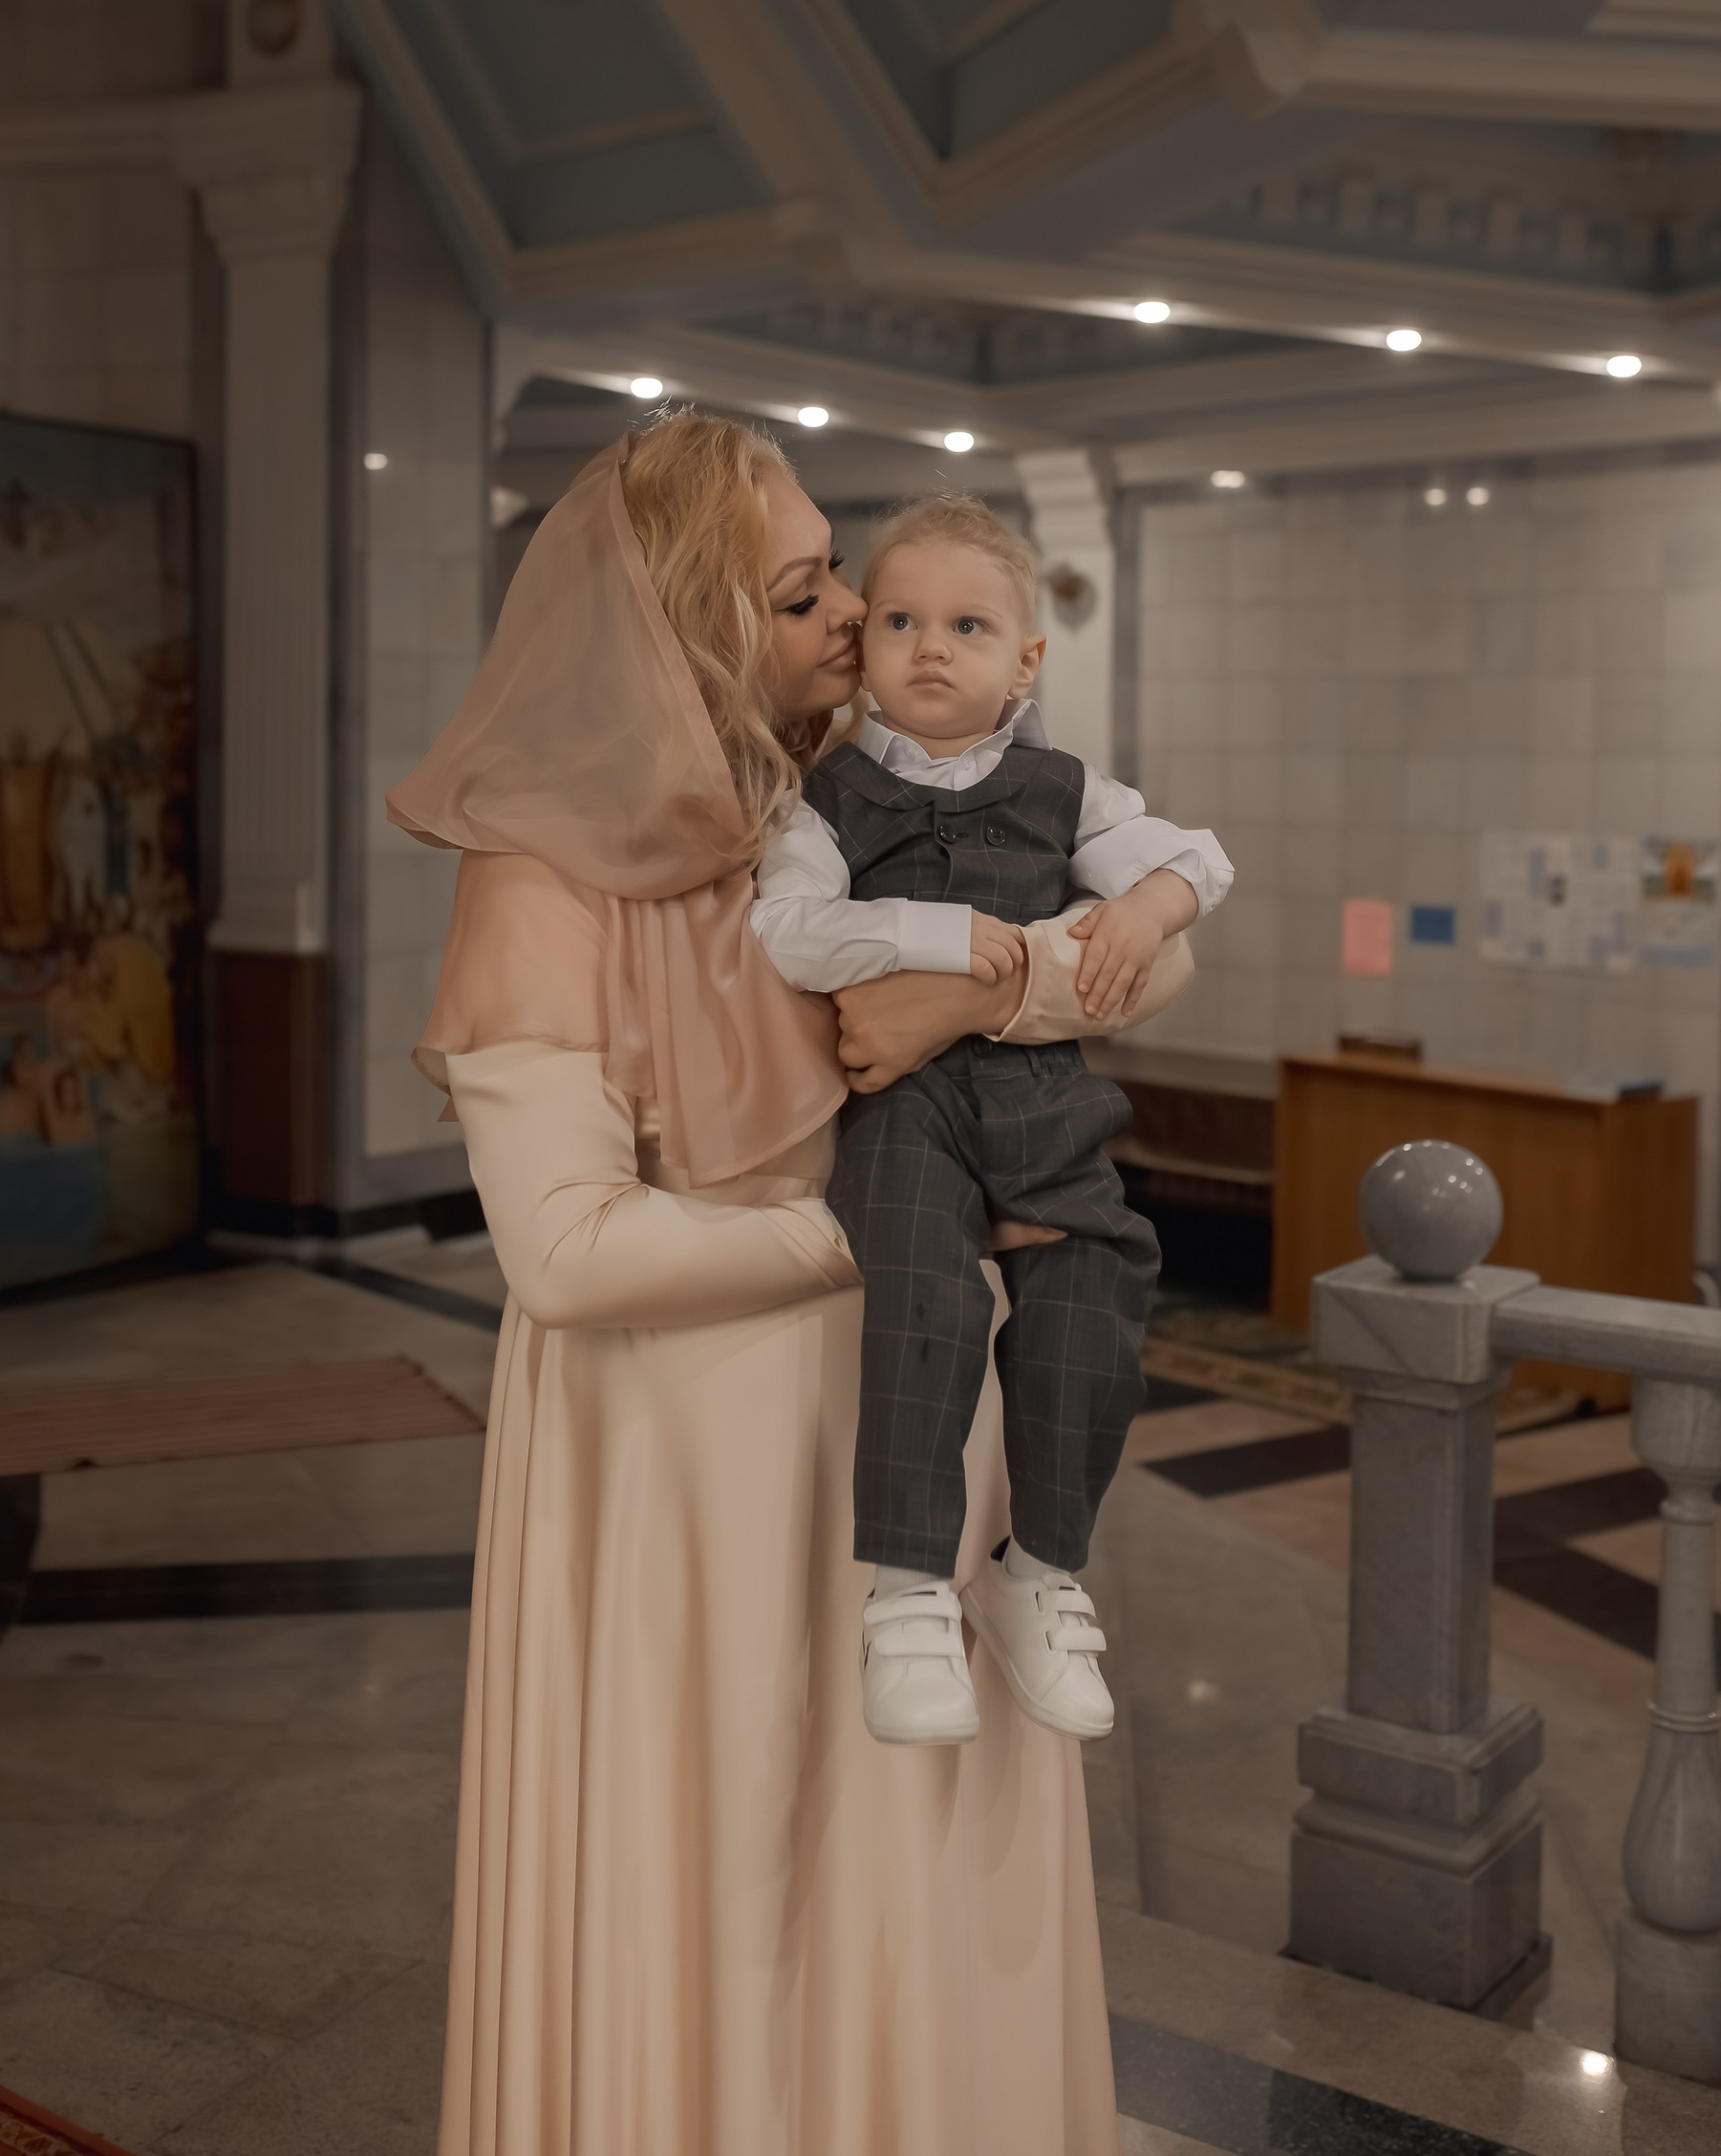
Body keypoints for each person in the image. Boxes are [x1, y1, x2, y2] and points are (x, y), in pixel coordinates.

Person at [389, 413, 1151, 2156]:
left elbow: (1131, 947)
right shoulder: (540, 866)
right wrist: (883, 1232)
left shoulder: (836, 791)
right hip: (682, 1452)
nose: (855, 618)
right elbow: (566, 1252)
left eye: (838, 579)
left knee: (914, 1855)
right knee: (728, 1860)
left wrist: (993, 987)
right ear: (685, 624)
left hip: (904, 1415)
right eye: (802, 593)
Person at [752, 495, 1230, 1748]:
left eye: (968, 626)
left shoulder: (1068, 791)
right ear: (867, 642)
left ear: (1026, 659)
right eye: (900, 620)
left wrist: (1146, 909)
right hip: (904, 1104)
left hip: (1043, 1097)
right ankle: (908, 1591)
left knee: (1098, 1291)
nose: (929, 647)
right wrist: (944, 935)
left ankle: (1040, 1570)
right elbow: (787, 932)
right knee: (926, 1293)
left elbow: (1198, 860)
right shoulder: (824, 799)